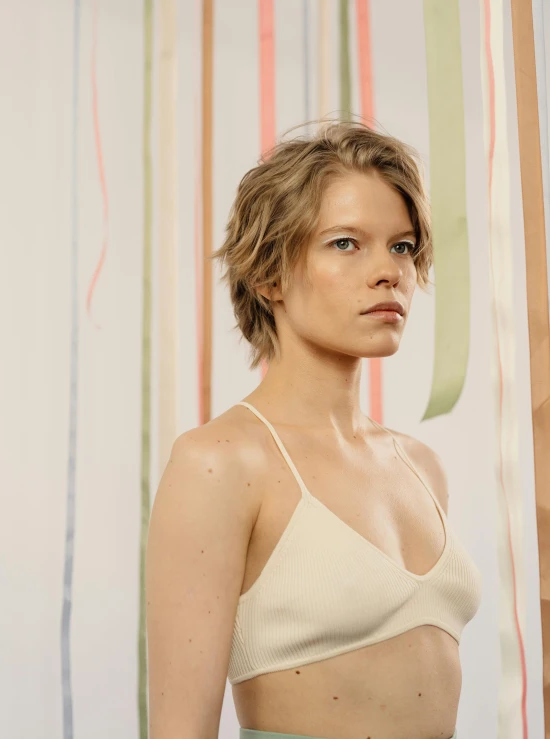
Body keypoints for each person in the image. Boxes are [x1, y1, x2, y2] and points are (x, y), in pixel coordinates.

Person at [145, 120, 482, 739]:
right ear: (269, 275)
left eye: (403, 247)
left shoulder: (421, 465)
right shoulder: (221, 463)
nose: (388, 272)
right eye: (347, 243)